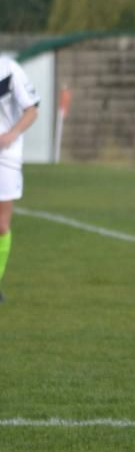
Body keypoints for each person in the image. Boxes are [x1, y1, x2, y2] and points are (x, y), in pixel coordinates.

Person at [0, 55, 41, 303]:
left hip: (5, 156)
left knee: (1, 225)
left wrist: (12, 134)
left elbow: (32, 109)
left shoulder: (8, 68)